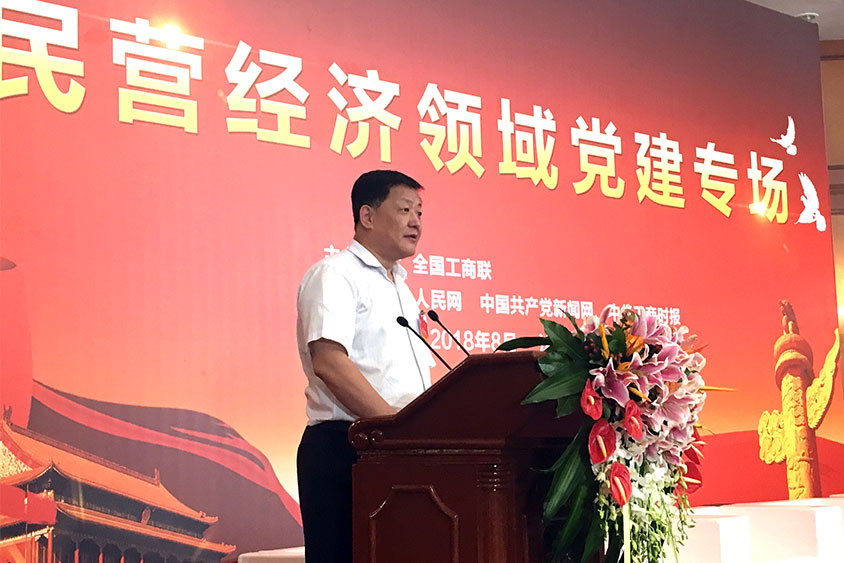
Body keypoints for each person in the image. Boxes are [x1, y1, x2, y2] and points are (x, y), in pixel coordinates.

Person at [295, 170, 434, 563]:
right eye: (404, 210)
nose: (415, 222)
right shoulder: (336, 274)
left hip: (393, 449)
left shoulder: (400, 287)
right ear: (367, 216)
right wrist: (395, 428)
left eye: (419, 212)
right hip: (347, 448)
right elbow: (329, 362)